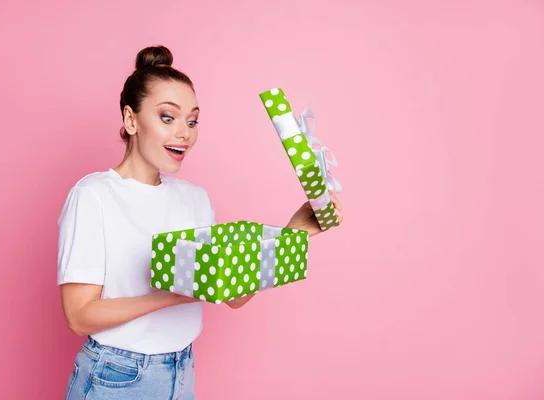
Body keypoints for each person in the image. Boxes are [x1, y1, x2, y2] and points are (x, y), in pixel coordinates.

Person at [57, 45, 343, 400]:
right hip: (116, 376)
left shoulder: (195, 198)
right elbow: (79, 316)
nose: (185, 133)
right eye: (168, 117)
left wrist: (291, 235)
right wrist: (173, 295)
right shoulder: (93, 195)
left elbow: (234, 296)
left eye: (192, 121)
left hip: (181, 372)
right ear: (131, 120)